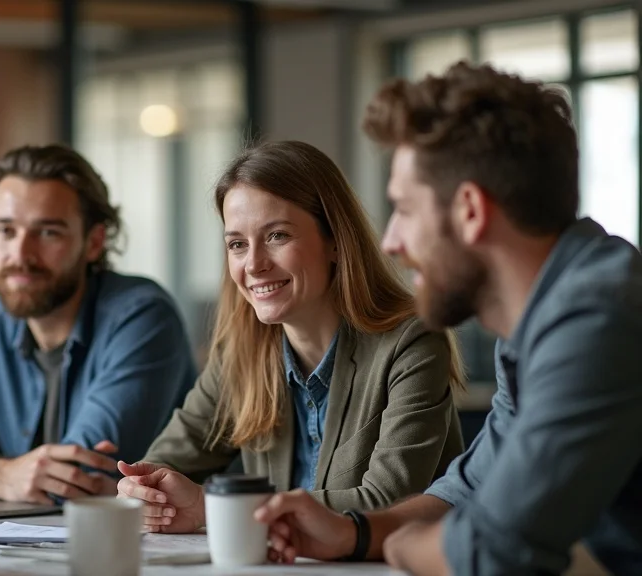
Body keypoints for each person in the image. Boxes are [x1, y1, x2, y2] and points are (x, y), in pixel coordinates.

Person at [255, 61, 642, 576]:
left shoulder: (598, 318)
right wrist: (353, 531)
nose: (390, 241)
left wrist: (401, 546)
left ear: (470, 211)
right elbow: (471, 488)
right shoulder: (539, 320)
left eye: (406, 210)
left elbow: (494, 553)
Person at [115, 140, 466, 533]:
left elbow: (388, 501)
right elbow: (165, 462)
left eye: (277, 236)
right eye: (237, 244)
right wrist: (144, 493)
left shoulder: (411, 342)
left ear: (335, 241)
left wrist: (212, 509)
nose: (255, 264)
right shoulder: (241, 352)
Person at [0, 144, 197, 504]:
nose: (21, 255)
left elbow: (76, 481)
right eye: (6, 231)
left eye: (48, 232)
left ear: (94, 242)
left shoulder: (142, 317)